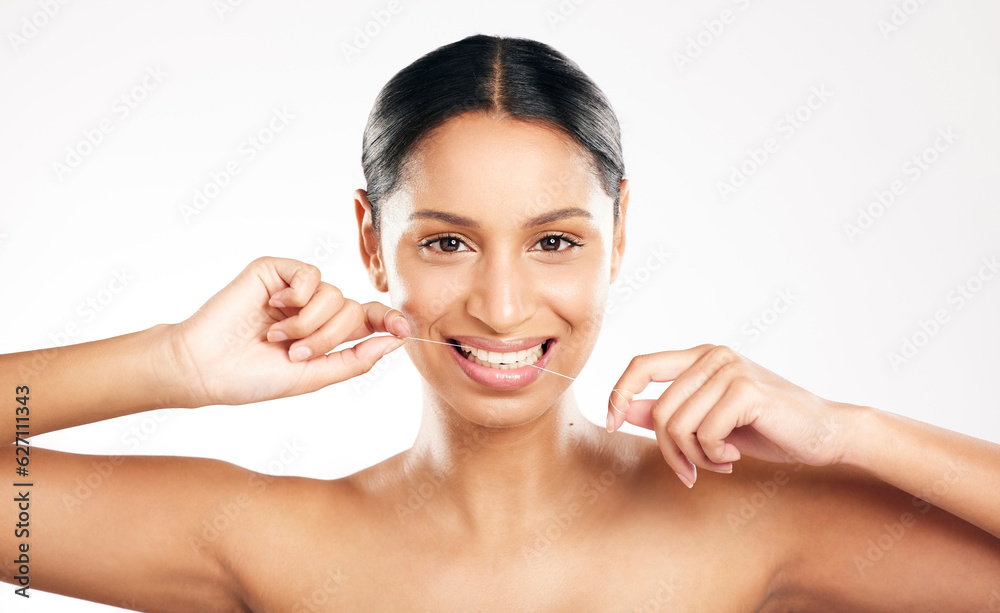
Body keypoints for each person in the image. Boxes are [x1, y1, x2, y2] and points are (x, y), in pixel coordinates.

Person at [3, 34, 999, 612]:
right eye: (446, 242)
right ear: (367, 236)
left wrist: (848, 432)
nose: (504, 306)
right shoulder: (272, 542)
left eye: (554, 242)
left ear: (618, 232)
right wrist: (175, 362)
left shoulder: (755, 523)